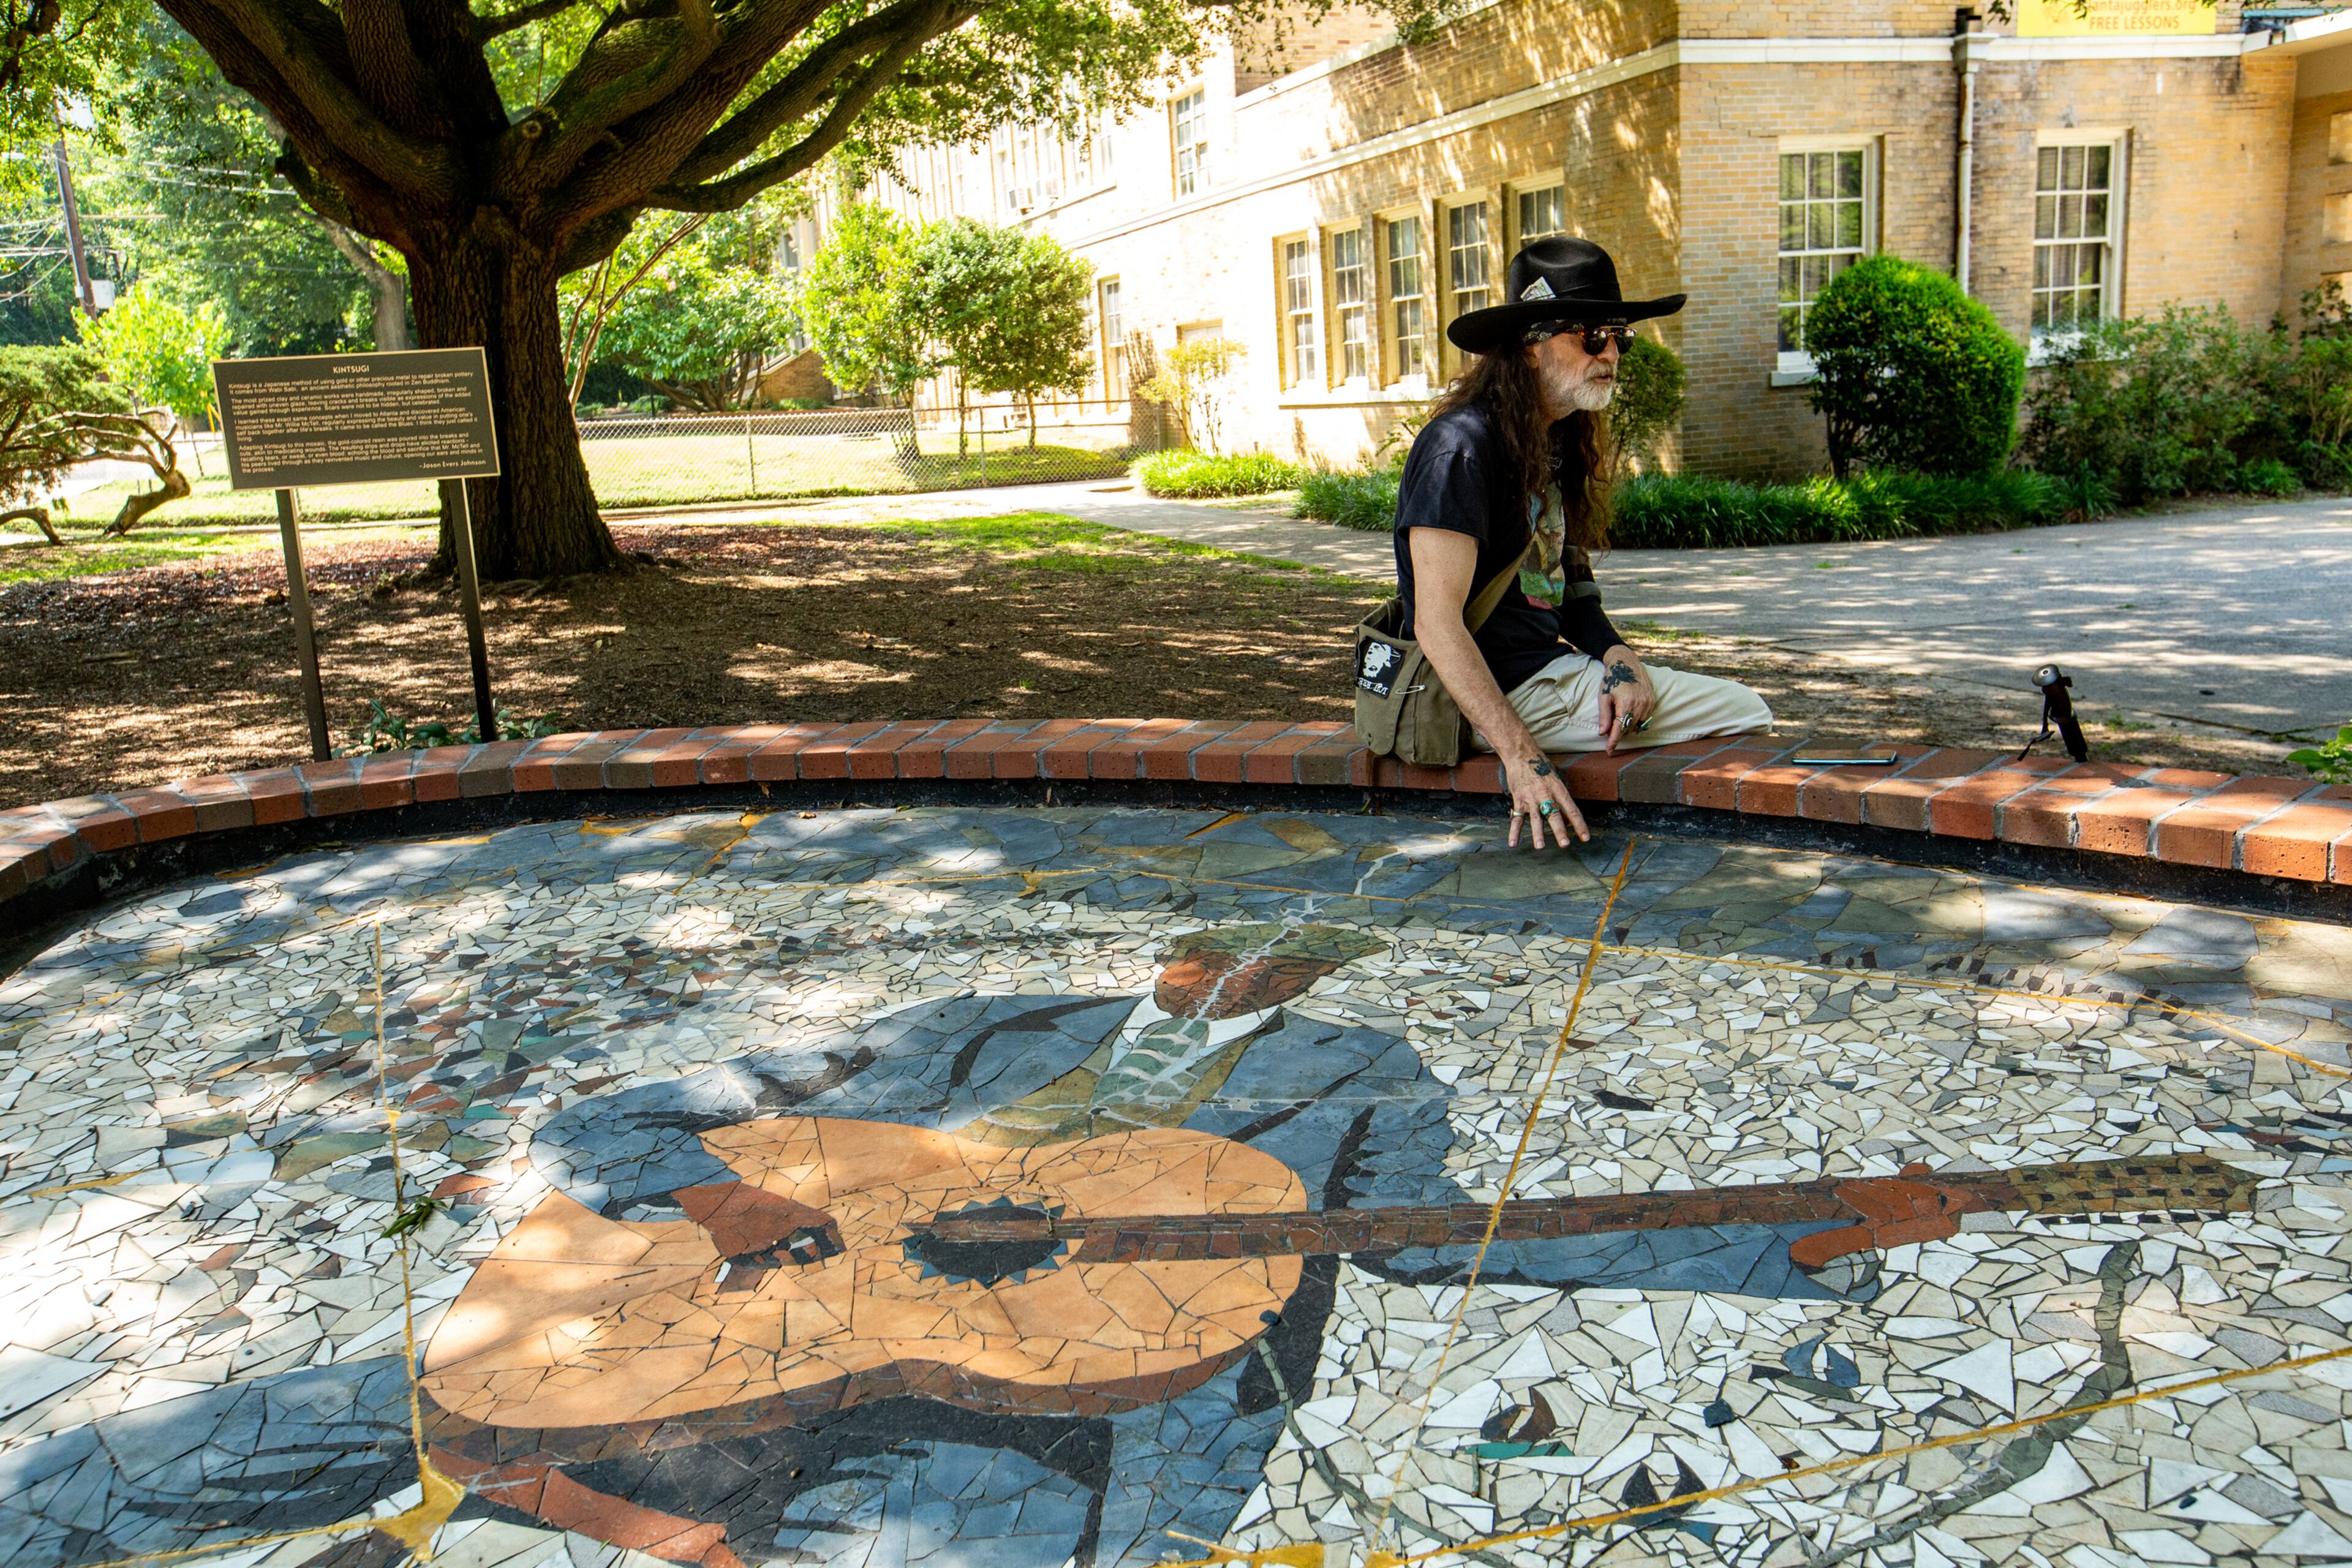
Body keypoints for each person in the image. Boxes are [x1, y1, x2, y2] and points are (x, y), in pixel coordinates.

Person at [1394, 235, 1774, 851]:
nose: (1612, 353)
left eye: (1620, 335)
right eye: (1591, 336)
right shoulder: (1459, 449)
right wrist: (1523, 757)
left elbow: (1570, 593)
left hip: (1549, 677)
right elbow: (1435, 624)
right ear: (1530, 345)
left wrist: (1619, 658)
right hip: (1494, 695)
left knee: (1675, 705)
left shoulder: (1552, 438)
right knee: (1747, 710)